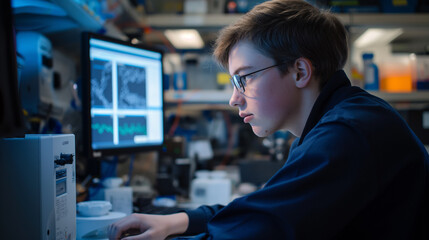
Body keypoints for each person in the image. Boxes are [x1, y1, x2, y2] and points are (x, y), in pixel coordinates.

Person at [108, 0, 429, 239]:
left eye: (245, 78)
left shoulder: (347, 133)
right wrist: (176, 221)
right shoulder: (336, 121)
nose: (234, 98)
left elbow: (258, 231)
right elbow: (266, 208)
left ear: (300, 71)